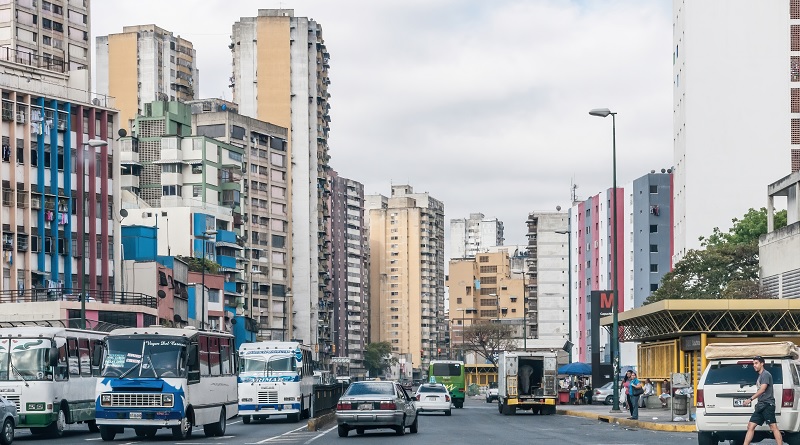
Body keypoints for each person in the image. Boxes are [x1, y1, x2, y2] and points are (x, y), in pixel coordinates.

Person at [743, 356, 782, 445]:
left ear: (762, 363)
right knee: (750, 426)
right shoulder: (761, 376)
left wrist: (750, 399)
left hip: (768, 404)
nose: (754, 365)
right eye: (753, 364)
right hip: (761, 405)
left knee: (773, 427)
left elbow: (762, 389)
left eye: (756, 363)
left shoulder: (765, 374)